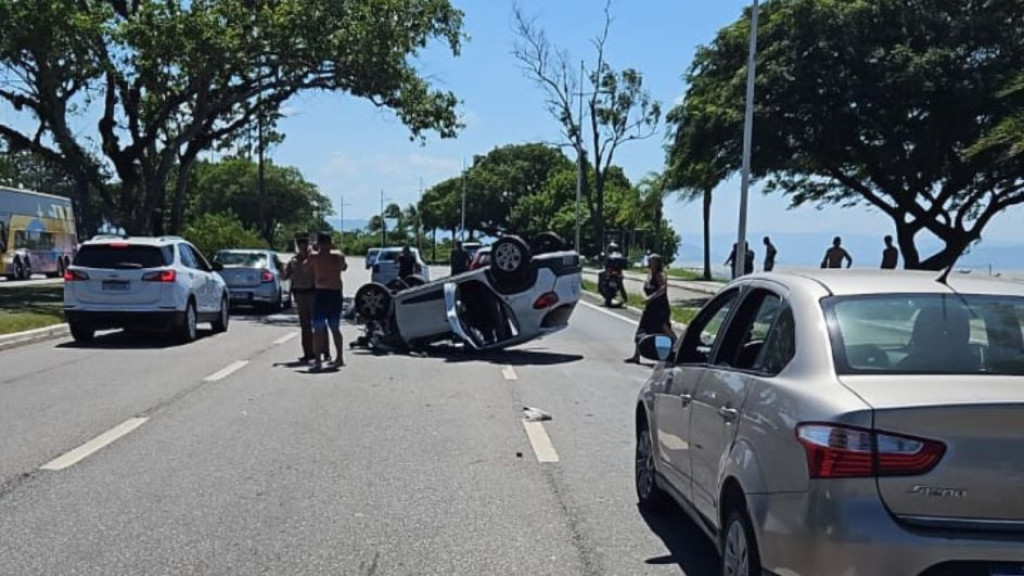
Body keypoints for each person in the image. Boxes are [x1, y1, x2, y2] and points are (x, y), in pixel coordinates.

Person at [308, 232, 348, 372]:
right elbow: (344, 267)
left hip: (321, 293)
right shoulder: (338, 256)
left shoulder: (314, 256)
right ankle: (340, 358)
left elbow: (308, 264)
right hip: (335, 293)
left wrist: (313, 247)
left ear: (319, 243)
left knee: (318, 329)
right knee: (335, 328)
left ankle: (318, 361)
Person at [625, 254, 675, 364]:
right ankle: (636, 356)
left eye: (651, 261)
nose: (649, 262)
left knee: (664, 328)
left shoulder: (659, 274)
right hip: (650, 307)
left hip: (660, 307)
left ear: (657, 263)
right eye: (649, 260)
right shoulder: (650, 274)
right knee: (642, 329)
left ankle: (678, 348)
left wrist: (650, 298)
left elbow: (662, 289)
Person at [282, 233, 319, 364]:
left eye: (304, 242)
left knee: (317, 324)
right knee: (305, 326)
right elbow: (285, 276)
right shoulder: (293, 261)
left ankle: (320, 352)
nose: (302, 245)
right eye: (300, 243)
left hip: (313, 293)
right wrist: (284, 269)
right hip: (300, 294)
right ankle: (307, 353)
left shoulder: (314, 258)